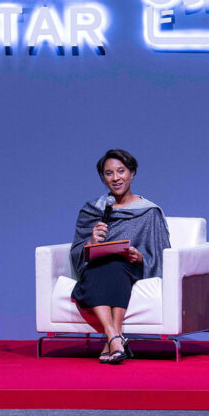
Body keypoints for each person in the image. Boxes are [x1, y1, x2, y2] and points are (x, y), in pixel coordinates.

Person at [69, 149, 171, 364]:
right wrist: (91, 242)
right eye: (109, 173)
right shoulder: (92, 210)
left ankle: (111, 338)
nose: (116, 178)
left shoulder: (148, 212)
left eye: (121, 171)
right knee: (103, 267)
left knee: (115, 265)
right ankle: (115, 338)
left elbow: (164, 255)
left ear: (132, 173)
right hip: (96, 266)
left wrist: (140, 257)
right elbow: (77, 252)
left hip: (129, 268)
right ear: (103, 178)